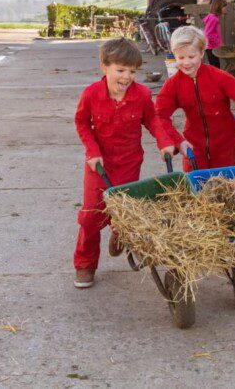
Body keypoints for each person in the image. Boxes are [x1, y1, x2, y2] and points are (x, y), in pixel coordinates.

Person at [73, 38, 175, 288]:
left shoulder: (140, 95)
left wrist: (164, 142)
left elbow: (152, 120)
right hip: (99, 164)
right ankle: (85, 264)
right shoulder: (91, 95)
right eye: (120, 70)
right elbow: (82, 123)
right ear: (104, 67)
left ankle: (119, 233)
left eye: (132, 71)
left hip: (129, 162)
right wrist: (92, 151)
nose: (126, 77)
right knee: (90, 216)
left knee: (125, 208)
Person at [155, 26, 235, 172]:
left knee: (226, 185)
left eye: (191, 56)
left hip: (225, 144)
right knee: (196, 185)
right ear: (174, 56)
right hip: (193, 146)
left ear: (201, 53)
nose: (186, 63)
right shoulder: (173, 84)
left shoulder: (219, 77)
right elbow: (158, 115)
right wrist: (177, 141)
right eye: (181, 58)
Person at [203, 0, 227, 68]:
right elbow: (207, 34)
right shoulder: (213, 19)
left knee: (216, 67)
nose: (225, 9)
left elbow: (215, 33)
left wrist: (220, 43)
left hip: (213, 47)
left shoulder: (215, 17)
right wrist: (218, 43)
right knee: (215, 67)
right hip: (211, 48)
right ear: (218, 7)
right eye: (224, 7)